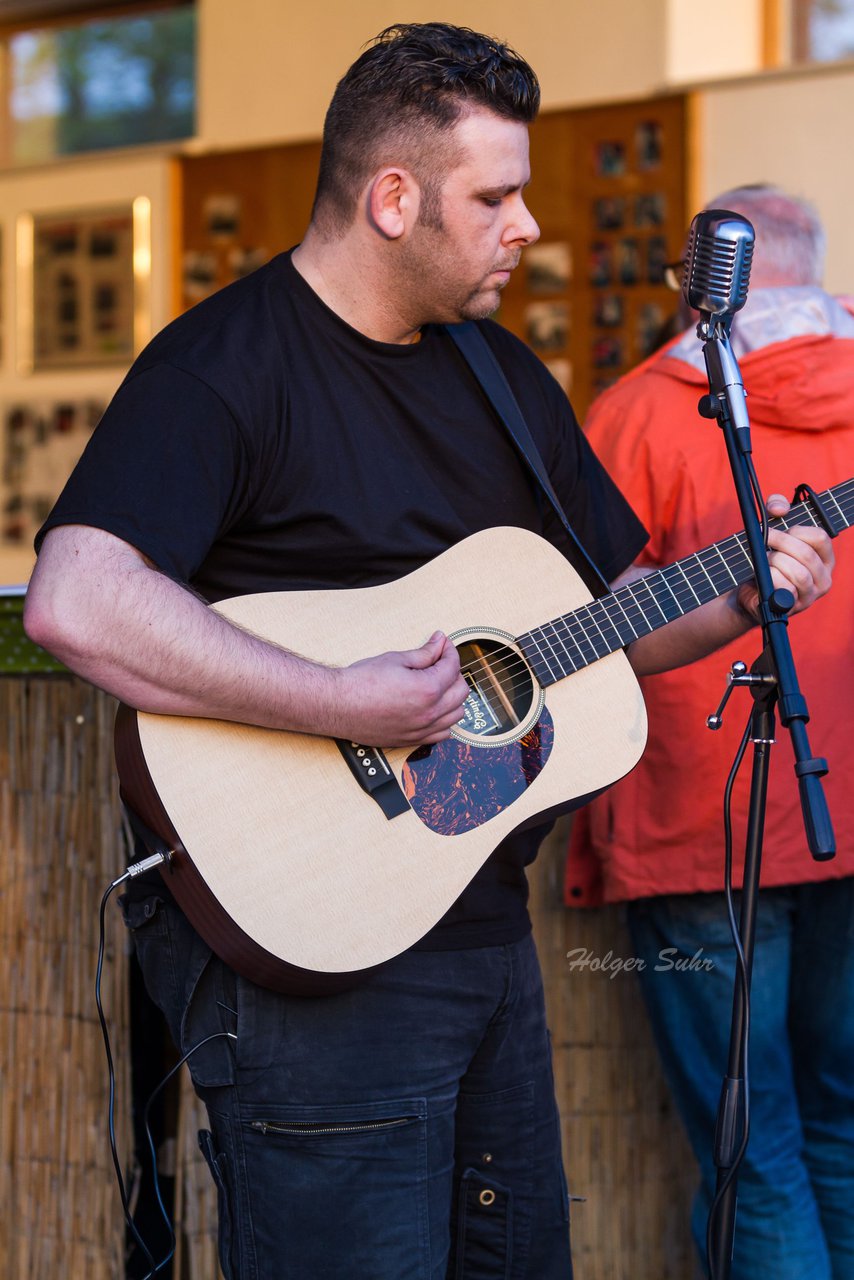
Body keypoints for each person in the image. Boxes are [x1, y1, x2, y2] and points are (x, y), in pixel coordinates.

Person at [23, 25, 833, 1275]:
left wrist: (741, 591)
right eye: (495, 197)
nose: (526, 227)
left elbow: (613, 609)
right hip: (309, 959)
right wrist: (335, 695)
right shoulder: (224, 365)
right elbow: (77, 599)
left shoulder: (500, 374)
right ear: (391, 198)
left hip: (476, 932)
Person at [566, 184, 854, 1280]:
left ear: (701, 277)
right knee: (836, 1122)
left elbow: (583, 615)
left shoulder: (638, 410)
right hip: (839, 804)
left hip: (703, 815)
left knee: (753, 1148)